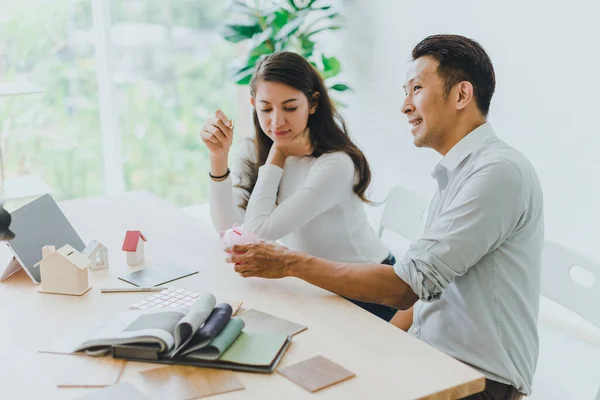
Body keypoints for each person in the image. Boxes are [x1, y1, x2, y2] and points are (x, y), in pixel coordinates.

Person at [224, 34, 544, 400]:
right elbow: (425, 289)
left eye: (416, 89)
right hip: (427, 353)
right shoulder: (457, 171)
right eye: (405, 92)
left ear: (461, 95)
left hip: (478, 380)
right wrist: (376, 345)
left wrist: (289, 263)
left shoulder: (497, 172)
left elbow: (403, 287)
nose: (405, 106)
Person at [200, 51, 398, 321]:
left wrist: (278, 154)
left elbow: (255, 233)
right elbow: (229, 233)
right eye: (265, 109)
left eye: (290, 107)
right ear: (252, 104)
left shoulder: (335, 164)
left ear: (313, 103)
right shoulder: (254, 150)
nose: (276, 121)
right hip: (314, 284)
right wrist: (218, 158)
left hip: (367, 290)